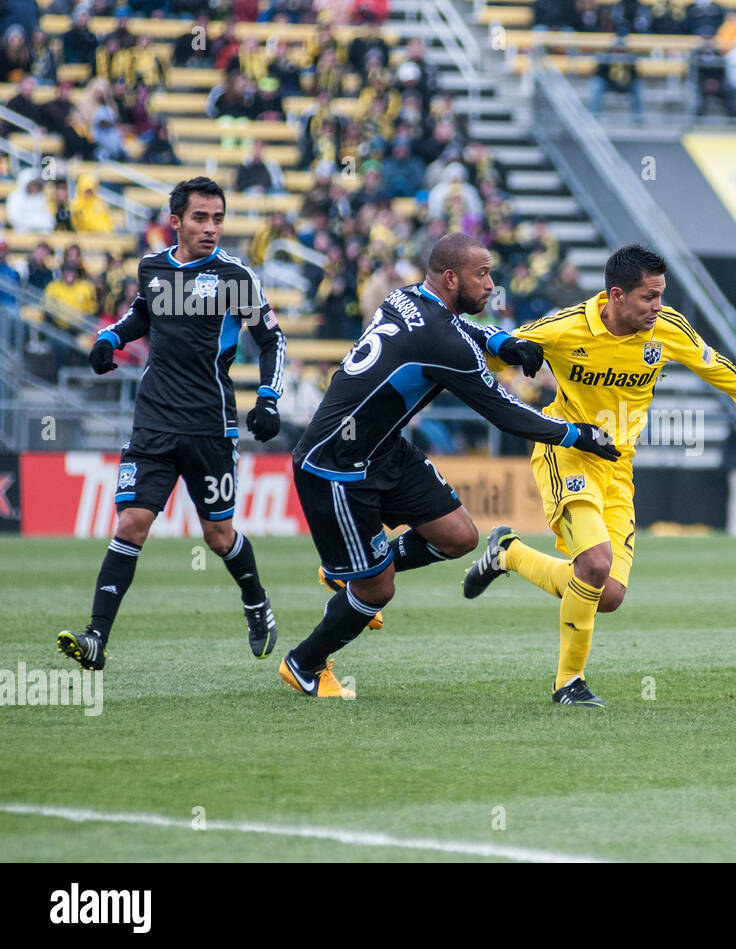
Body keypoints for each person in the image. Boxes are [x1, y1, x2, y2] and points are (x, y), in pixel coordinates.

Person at [286, 233, 620, 699]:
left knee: (459, 536)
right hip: (336, 465)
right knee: (378, 590)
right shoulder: (443, 342)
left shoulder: (404, 297)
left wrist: (504, 341)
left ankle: (352, 571)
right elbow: (503, 411)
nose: (491, 284)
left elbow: (461, 330)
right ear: (450, 277)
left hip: (383, 448)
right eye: (481, 274)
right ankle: (305, 662)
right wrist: (576, 433)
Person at [461, 244, 736, 707]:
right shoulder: (563, 327)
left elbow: (710, 362)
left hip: (618, 465)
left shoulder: (666, 328)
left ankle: (509, 554)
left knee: (608, 593)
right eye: (648, 297)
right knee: (594, 565)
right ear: (616, 295)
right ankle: (568, 683)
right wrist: (507, 362)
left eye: (660, 296)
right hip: (567, 452)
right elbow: (487, 360)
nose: (657, 307)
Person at [57, 177, 288, 672]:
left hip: (210, 426)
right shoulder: (153, 268)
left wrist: (267, 399)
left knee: (219, 538)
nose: (211, 228)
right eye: (201, 218)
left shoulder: (236, 277)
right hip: (154, 422)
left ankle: (255, 600)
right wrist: (109, 338)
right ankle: (96, 637)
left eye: (219, 218)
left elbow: (272, 340)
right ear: (177, 221)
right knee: (131, 523)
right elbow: (142, 314)